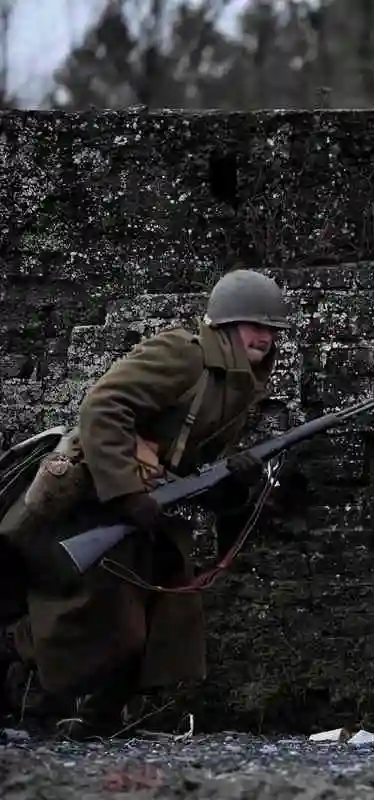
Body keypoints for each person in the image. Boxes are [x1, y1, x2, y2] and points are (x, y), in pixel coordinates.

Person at [0, 268, 291, 739]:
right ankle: (36, 707)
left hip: (148, 506)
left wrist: (232, 484)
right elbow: (103, 406)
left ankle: (99, 721)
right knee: (91, 620)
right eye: (254, 324)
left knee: (157, 622)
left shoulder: (240, 384)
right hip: (95, 499)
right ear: (225, 325)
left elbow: (193, 461)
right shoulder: (183, 354)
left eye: (272, 328)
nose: (265, 335)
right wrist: (126, 493)